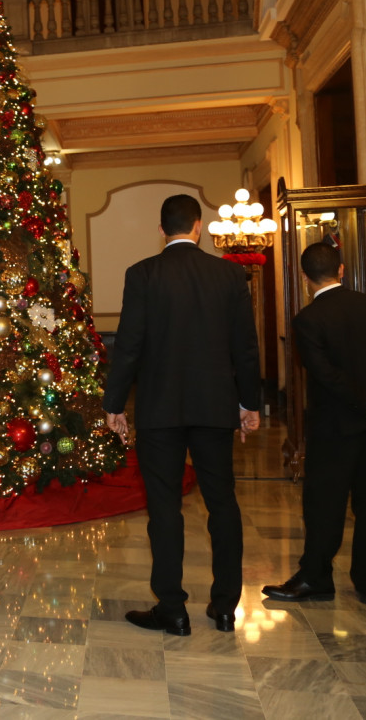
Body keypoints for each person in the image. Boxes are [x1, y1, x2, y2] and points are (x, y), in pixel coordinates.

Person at [102, 194, 261, 635]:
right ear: (198, 226)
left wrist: (114, 404)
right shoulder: (229, 274)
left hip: (160, 408)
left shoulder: (142, 274)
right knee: (222, 503)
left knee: (164, 507)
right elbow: (245, 347)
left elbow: (128, 346)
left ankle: (172, 608)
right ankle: (225, 607)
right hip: (215, 406)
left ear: (161, 230)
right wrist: (249, 404)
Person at [263, 242, 366, 605]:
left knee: (323, 505)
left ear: (305, 278)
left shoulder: (307, 319)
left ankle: (315, 579)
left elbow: (325, 374)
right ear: (341, 270)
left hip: (334, 429)